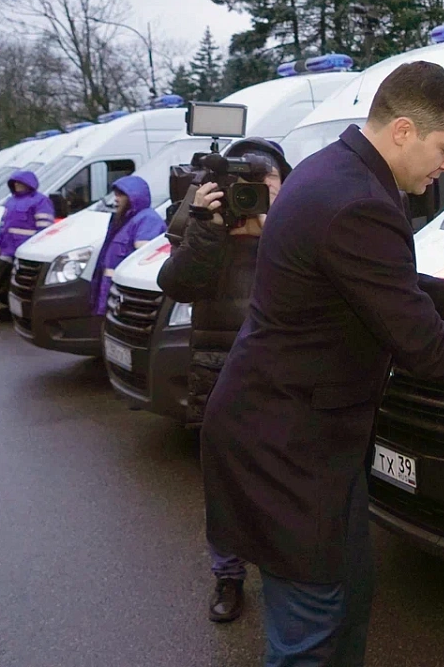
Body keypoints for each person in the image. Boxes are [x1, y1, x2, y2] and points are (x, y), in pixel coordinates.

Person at [200, 61, 444, 666]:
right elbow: (422, 348)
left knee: (347, 598)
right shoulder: (355, 197)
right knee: (310, 630)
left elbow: (362, 277)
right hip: (289, 448)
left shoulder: (337, 171)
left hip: (310, 439)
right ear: (404, 129)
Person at [156, 138, 292, 625]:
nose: (259, 193)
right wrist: (206, 225)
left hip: (281, 376)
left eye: (270, 182)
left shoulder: (299, 224)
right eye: (250, 185)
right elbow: (177, 282)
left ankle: (283, 574)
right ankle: (228, 574)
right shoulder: (203, 221)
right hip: (219, 368)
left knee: (280, 482)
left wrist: (277, 225)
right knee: (223, 484)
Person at [89, 175, 166, 317]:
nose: (116, 199)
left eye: (121, 195)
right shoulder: (125, 220)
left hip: (126, 294)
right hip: (113, 290)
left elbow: (144, 260)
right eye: (116, 194)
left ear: (133, 197)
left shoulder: (147, 219)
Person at [0, 170, 55, 260]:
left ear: (28, 184)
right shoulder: (11, 201)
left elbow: (44, 228)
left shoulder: (41, 201)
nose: (16, 185)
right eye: (14, 182)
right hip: (7, 248)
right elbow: (3, 225)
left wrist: (37, 248)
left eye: (19, 182)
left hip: (27, 248)